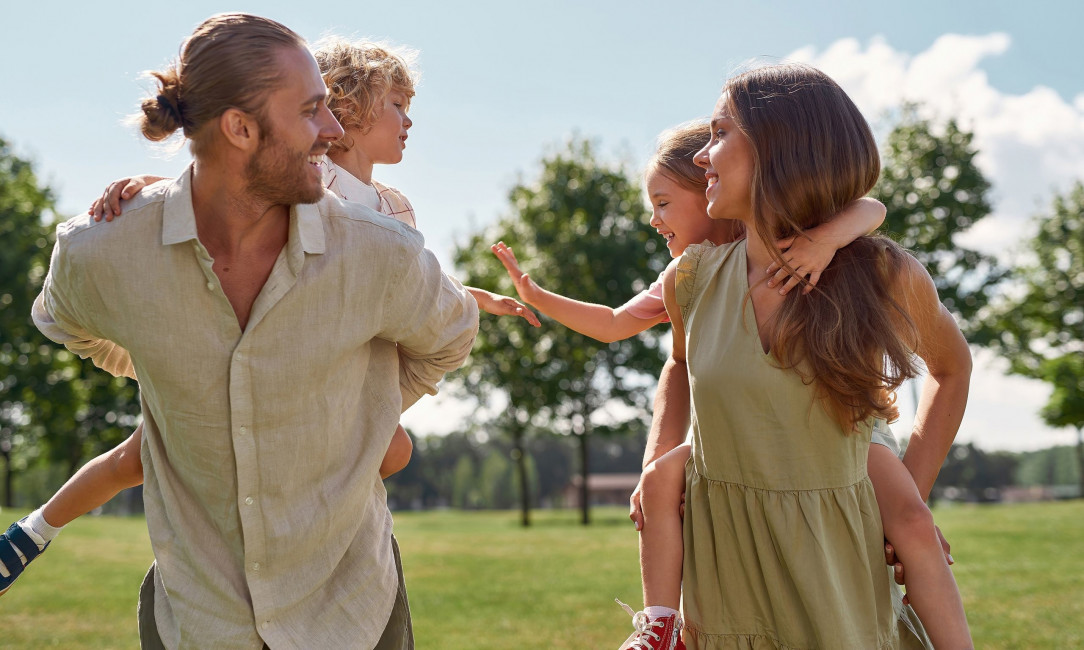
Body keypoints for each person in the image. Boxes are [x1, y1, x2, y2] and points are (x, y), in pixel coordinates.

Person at [0, 36, 536, 603]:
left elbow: (407, 288)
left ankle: (296, 526)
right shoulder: (302, 178)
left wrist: (467, 302)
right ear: (348, 111)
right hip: (248, 364)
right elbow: (213, 202)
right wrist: (144, 189)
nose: (409, 121)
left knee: (394, 449)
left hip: (326, 385)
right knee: (141, 455)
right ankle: (33, 532)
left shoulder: (394, 210)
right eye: (397, 105)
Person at [494, 121, 964, 649]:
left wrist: (824, 240)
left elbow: (870, 209)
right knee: (659, 481)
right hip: (740, 436)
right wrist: (536, 294)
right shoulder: (691, 277)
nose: (653, 220)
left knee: (910, 521)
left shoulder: (808, 247)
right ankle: (660, 623)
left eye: (664, 203)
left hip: (848, 429)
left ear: (711, 187)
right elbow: (630, 333)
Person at [639, 63, 972, 649]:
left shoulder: (882, 274)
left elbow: (951, 368)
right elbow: (682, 371)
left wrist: (906, 504)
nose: (700, 156)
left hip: (843, 588)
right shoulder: (689, 280)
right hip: (729, 589)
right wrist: (658, 465)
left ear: (780, 147)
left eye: (720, 133)